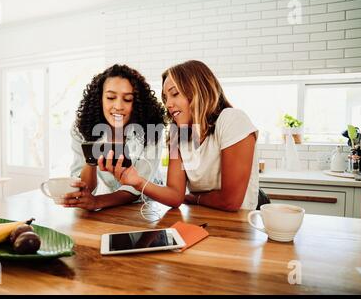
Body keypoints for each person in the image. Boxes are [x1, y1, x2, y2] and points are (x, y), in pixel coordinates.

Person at [98, 60, 259, 211]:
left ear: (198, 90)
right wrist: (138, 182)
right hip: (201, 220)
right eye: (165, 98)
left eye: (174, 94)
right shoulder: (178, 134)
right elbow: (175, 196)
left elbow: (230, 201)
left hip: (239, 226)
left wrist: (194, 198)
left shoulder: (231, 120)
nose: (168, 104)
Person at [60, 64, 166, 210]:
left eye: (127, 99)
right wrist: (91, 158)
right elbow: (84, 187)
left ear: (136, 103)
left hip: (150, 206)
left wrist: (97, 202)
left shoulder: (151, 128)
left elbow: (137, 187)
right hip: (114, 207)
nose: (118, 106)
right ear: (100, 99)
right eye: (110, 97)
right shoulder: (82, 128)